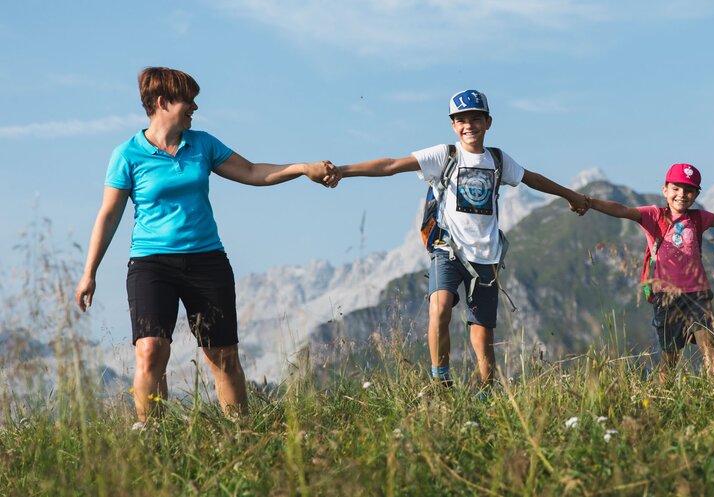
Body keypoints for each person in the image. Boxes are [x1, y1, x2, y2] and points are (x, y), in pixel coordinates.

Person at [75, 67, 335, 424]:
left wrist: (302, 168)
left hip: (206, 262)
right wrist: (89, 272)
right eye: (188, 100)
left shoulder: (203, 144)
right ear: (163, 103)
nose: (194, 107)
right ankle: (154, 439)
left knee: (223, 357)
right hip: (151, 264)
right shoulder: (127, 155)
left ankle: (242, 437)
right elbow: (108, 215)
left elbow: (253, 172)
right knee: (150, 351)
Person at [325, 89, 590, 390]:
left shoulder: (499, 160)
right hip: (447, 250)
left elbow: (532, 178)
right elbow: (391, 165)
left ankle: (484, 396)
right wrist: (344, 172)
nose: (469, 126)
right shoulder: (444, 155)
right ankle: (441, 380)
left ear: (488, 122)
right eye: (461, 120)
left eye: (475, 119)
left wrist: (570, 195)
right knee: (439, 308)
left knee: (483, 338)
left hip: (486, 258)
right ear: (453, 125)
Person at [585, 163, 714, 378]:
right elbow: (622, 211)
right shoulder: (654, 216)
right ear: (665, 190)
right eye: (676, 189)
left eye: (689, 190)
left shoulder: (699, 218)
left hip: (697, 293)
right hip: (666, 296)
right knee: (670, 357)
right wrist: (590, 202)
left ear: (697, 194)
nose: (682, 195)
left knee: (709, 347)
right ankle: (664, 396)